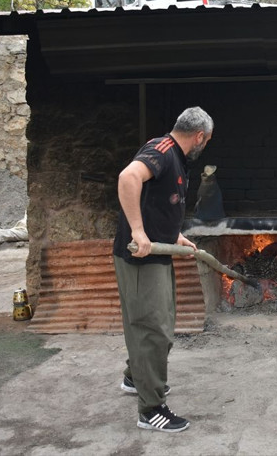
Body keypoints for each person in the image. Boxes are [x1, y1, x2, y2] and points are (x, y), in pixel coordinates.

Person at [112, 106, 213, 433]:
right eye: (207, 141)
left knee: (153, 324)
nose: (205, 145)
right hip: (141, 257)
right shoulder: (163, 151)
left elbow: (159, 202)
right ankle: (150, 410)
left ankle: (134, 377)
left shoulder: (174, 157)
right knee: (153, 330)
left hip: (158, 252)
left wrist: (176, 236)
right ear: (199, 136)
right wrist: (139, 232)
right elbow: (128, 178)